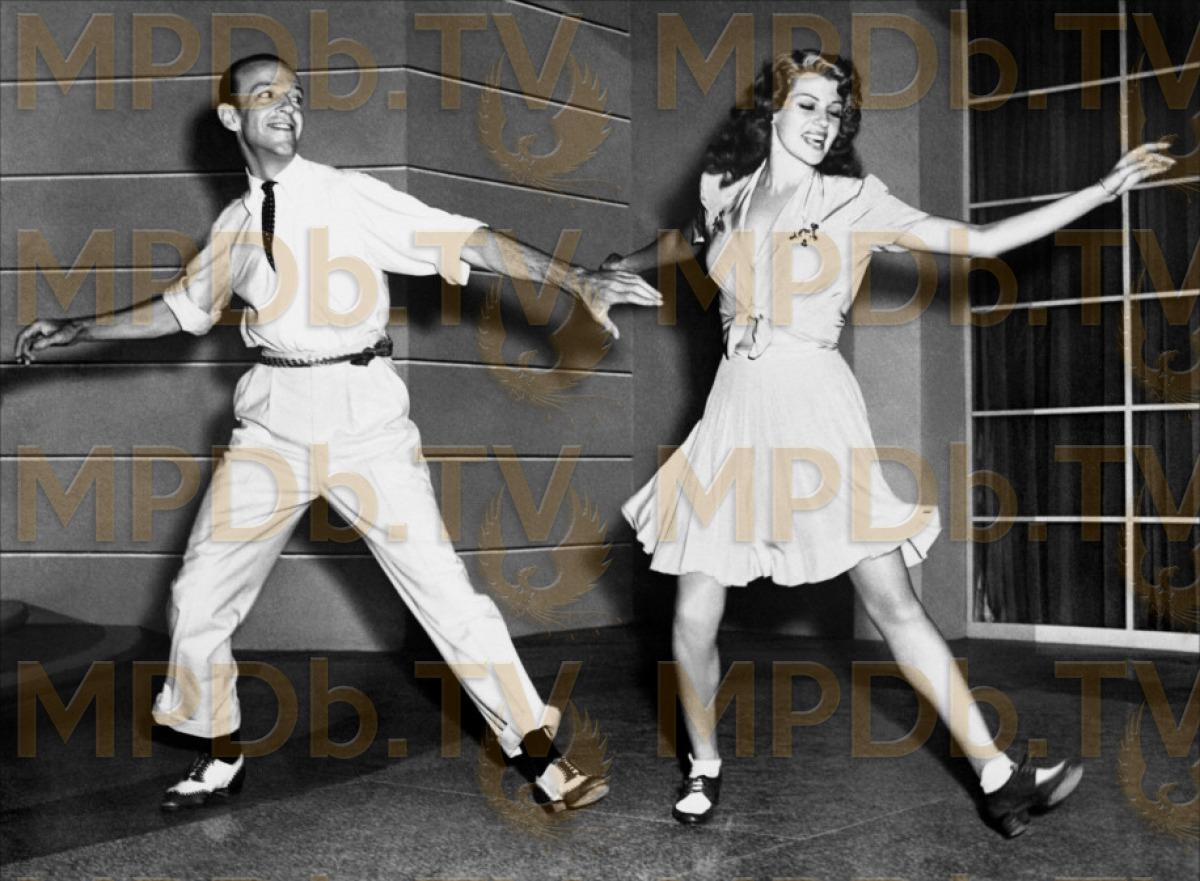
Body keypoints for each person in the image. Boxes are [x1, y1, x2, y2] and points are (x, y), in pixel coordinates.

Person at [15, 54, 661, 813]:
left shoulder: (347, 194)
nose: (287, 106)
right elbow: (180, 310)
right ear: (231, 117)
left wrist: (575, 279)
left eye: (295, 96)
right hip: (271, 422)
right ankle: (219, 748)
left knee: (443, 593)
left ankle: (539, 753)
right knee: (197, 596)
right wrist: (77, 328)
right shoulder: (232, 227)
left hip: (363, 419)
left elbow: (469, 240)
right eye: (266, 95)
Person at [607, 50, 1174, 836]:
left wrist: (1100, 191)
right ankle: (703, 763)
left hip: (815, 410)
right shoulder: (727, 191)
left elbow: (979, 242)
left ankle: (997, 772)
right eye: (809, 105)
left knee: (892, 603)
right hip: (733, 413)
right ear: (770, 109)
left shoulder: (857, 200)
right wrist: (613, 269)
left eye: (835, 111)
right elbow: (685, 241)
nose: (824, 123)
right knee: (693, 610)